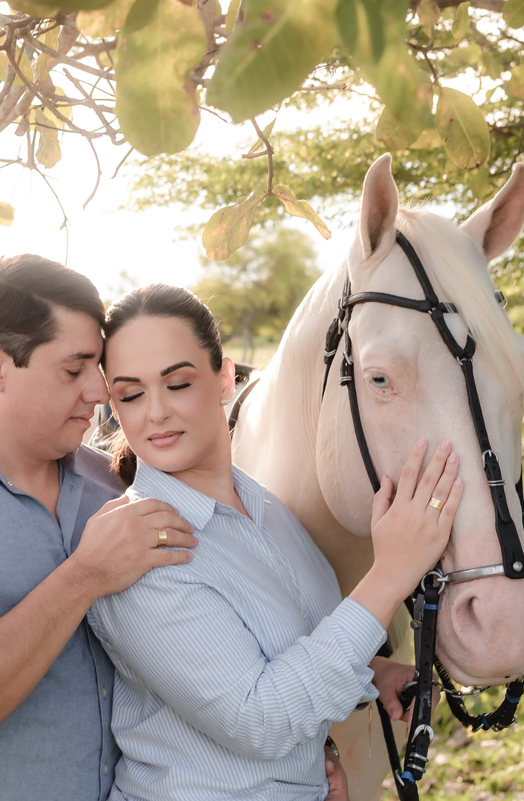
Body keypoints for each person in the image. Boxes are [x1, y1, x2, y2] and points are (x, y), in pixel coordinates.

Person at [88, 284, 463, 801]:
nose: (154, 413)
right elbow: (259, 720)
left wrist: (373, 674)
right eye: (130, 394)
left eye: (177, 383)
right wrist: (392, 573)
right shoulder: (140, 548)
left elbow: (283, 653)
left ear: (224, 377)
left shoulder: (267, 509)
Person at [0, 256, 198, 801]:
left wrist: (359, 679)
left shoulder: (115, 483)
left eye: (98, 368)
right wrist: (85, 576)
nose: (99, 391)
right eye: (74, 370)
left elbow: (204, 611)